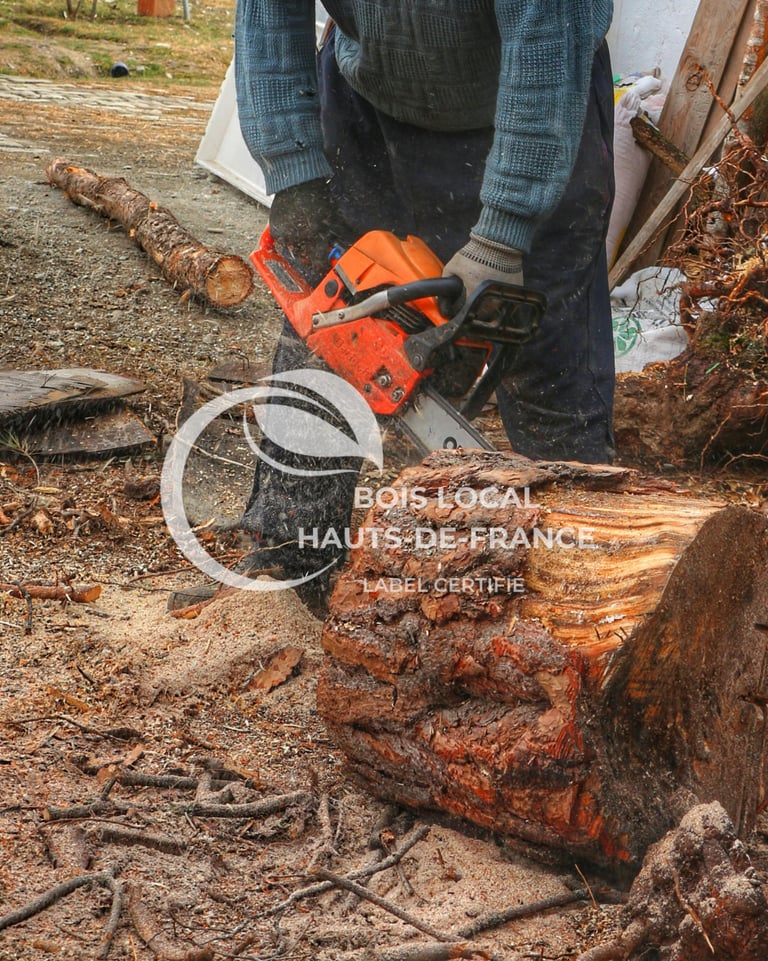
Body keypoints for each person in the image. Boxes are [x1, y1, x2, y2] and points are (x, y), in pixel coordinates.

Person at [177, 1, 615, 611]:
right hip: (367, 99)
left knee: (544, 346)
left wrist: (504, 230)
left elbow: (545, 35)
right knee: (333, 322)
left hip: (534, 100)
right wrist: (294, 170)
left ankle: (588, 585)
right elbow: (268, 12)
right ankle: (292, 554)